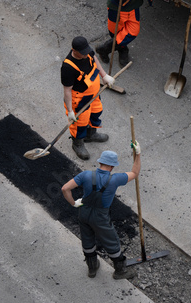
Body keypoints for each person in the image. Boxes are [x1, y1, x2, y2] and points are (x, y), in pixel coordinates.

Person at [61, 142, 141, 279]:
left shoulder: (85, 175)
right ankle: (120, 272)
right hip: (101, 217)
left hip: (84, 213)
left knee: (87, 240)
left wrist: (74, 203)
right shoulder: (115, 179)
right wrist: (138, 154)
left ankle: (92, 269)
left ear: (100, 163)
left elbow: (65, 189)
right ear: (112, 166)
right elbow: (134, 172)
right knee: (112, 242)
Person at [61, 36, 115, 160]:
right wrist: (70, 111)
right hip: (79, 100)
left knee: (96, 112)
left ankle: (90, 135)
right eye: (83, 53)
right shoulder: (68, 67)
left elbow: (94, 58)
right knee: (80, 123)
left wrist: (104, 75)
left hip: (94, 93)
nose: (86, 55)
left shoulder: (86, 51)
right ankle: (77, 143)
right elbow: (67, 91)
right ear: (74, 50)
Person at [95, 0, 148, 67]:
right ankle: (122, 48)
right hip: (116, 8)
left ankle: (105, 48)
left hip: (133, 6)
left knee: (133, 31)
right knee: (115, 33)